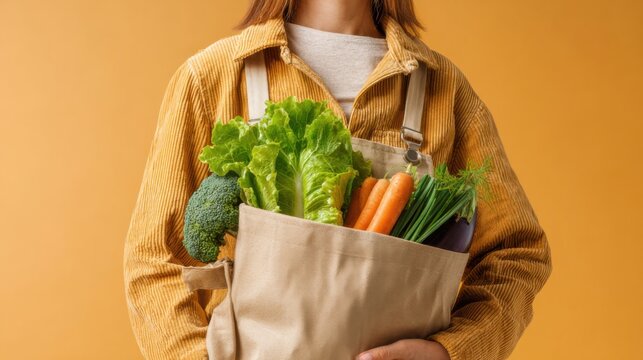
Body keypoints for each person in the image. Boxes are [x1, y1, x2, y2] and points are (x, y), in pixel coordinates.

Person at [123, 0, 553, 359]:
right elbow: (154, 263)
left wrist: (450, 350)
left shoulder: (445, 89)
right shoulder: (213, 78)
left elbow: (517, 253)